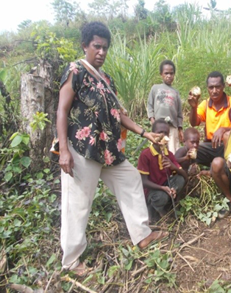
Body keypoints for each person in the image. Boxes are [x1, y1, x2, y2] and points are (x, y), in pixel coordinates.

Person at [56, 22, 168, 276]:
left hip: (108, 150)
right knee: (79, 202)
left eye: (105, 47)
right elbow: (62, 110)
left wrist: (145, 132)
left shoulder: (106, 79)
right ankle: (71, 261)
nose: (101, 52)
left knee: (129, 178)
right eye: (96, 46)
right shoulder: (76, 71)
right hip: (82, 149)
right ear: (85, 45)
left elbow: (119, 116)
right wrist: (64, 149)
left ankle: (142, 234)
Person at [138, 119, 187, 223]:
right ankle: (155, 211)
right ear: (152, 135)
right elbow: (144, 181)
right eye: (160, 132)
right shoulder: (146, 154)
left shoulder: (168, 154)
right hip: (152, 191)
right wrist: (162, 188)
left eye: (166, 133)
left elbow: (184, 176)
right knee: (161, 196)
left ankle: (174, 203)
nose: (163, 135)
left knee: (180, 179)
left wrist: (173, 166)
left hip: (165, 186)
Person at [188, 71, 231, 167]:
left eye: (218, 87)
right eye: (211, 87)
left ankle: (226, 168)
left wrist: (224, 129)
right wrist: (193, 107)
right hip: (210, 146)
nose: (214, 91)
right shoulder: (205, 104)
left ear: (223, 86)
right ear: (207, 88)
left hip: (228, 145)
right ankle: (191, 173)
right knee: (189, 150)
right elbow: (194, 123)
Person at [147, 60, 183, 154]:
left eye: (171, 73)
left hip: (172, 127)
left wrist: (180, 129)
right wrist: (152, 121)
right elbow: (150, 105)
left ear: (174, 75)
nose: (169, 76)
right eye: (166, 73)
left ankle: (173, 168)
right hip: (158, 126)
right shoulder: (155, 88)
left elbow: (179, 113)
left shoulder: (176, 92)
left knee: (173, 151)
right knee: (157, 150)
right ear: (161, 74)